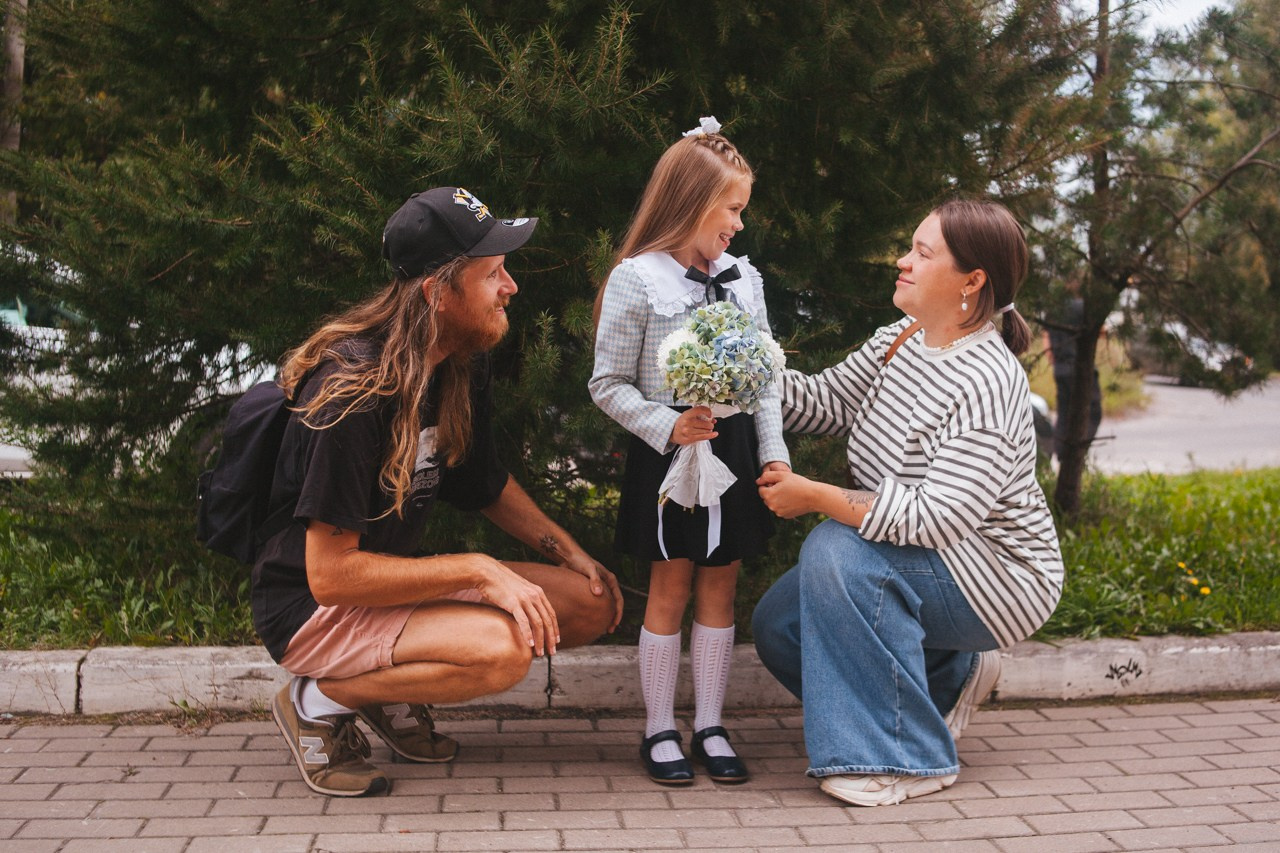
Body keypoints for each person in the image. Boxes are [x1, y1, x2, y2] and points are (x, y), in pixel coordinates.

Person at [254, 186, 622, 798]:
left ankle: (383, 691)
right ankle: (318, 699)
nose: (511, 288)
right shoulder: (352, 391)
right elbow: (330, 576)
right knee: (504, 652)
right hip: (312, 608)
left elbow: (485, 485)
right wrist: (480, 571)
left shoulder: (455, 360)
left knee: (592, 602)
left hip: (387, 580)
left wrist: (568, 552)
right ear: (437, 293)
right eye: (493, 275)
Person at [752, 199, 1063, 807]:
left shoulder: (988, 382)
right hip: (922, 553)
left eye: (923, 253)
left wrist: (817, 496)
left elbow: (937, 518)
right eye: (910, 247)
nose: (903, 261)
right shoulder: (901, 338)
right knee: (780, 627)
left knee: (837, 551)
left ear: (972, 281)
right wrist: (738, 371)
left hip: (996, 575)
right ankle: (951, 678)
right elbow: (822, 403)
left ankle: (908, 757)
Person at [589, 117, 790, 786]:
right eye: (731, 207)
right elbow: (606, 383)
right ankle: (658, 727)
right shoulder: (637, 279)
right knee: (671, 580)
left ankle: (709, 721)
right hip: (669, 450)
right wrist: (663, 424)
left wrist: (773, 452)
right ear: (690, 200)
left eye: (742, 209)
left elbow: (766, 380)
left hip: (729, 445)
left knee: (722, 579)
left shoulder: (744, 278)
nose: (738, 222)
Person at [1044, 280, 1103, 461]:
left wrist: (1053, 359)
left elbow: (1046, 339)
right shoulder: (1083, 308)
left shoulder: (1053, 310)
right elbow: (1097, 332)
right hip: (1080, 368)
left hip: (1060, 368)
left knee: (1063, 414)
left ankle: (1060, 454)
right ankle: (1075, 456)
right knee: (1092, 412)